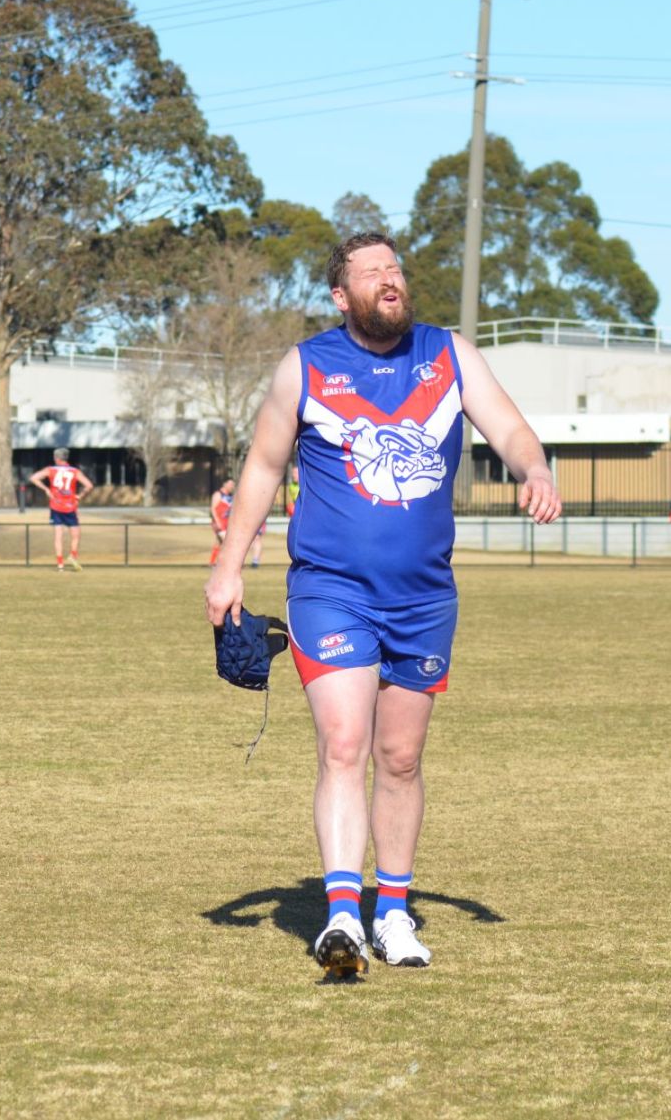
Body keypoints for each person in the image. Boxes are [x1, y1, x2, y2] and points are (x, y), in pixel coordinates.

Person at [204, 232, 561, 977]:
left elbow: (509, 427)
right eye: (372, 273)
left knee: (400, 757)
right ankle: (342, 916)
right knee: (344, 743)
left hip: (424, 596)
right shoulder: (305, 367)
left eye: (394, 268)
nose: (389, 279)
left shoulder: (448, 354)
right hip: (330, 587)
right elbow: (263, 466)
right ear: (342, 295)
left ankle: (392, 913)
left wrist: (534, 468)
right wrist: (228, 566)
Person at [31, 448, 93, 572]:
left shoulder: (50, 470)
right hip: (70, 506)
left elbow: (34, 478)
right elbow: (89, 485)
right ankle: (73, 556)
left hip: (56, 506)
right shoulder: (75, 471)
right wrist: (80, 496)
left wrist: (46, 489)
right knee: (75, 535)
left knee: (58, 535)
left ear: (56, 458)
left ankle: (60, 565)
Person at [209, 479, 234, 566]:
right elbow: (213, 508)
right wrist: (217, 521)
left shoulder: (231, 496)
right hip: (219, 522)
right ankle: (231, 563)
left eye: (233, 485)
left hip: (227, 522)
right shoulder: (218, 494)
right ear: (224, 484)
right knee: (227, 542)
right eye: (230, 484)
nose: (232, 486)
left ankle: (212, 562)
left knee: (219, 542)